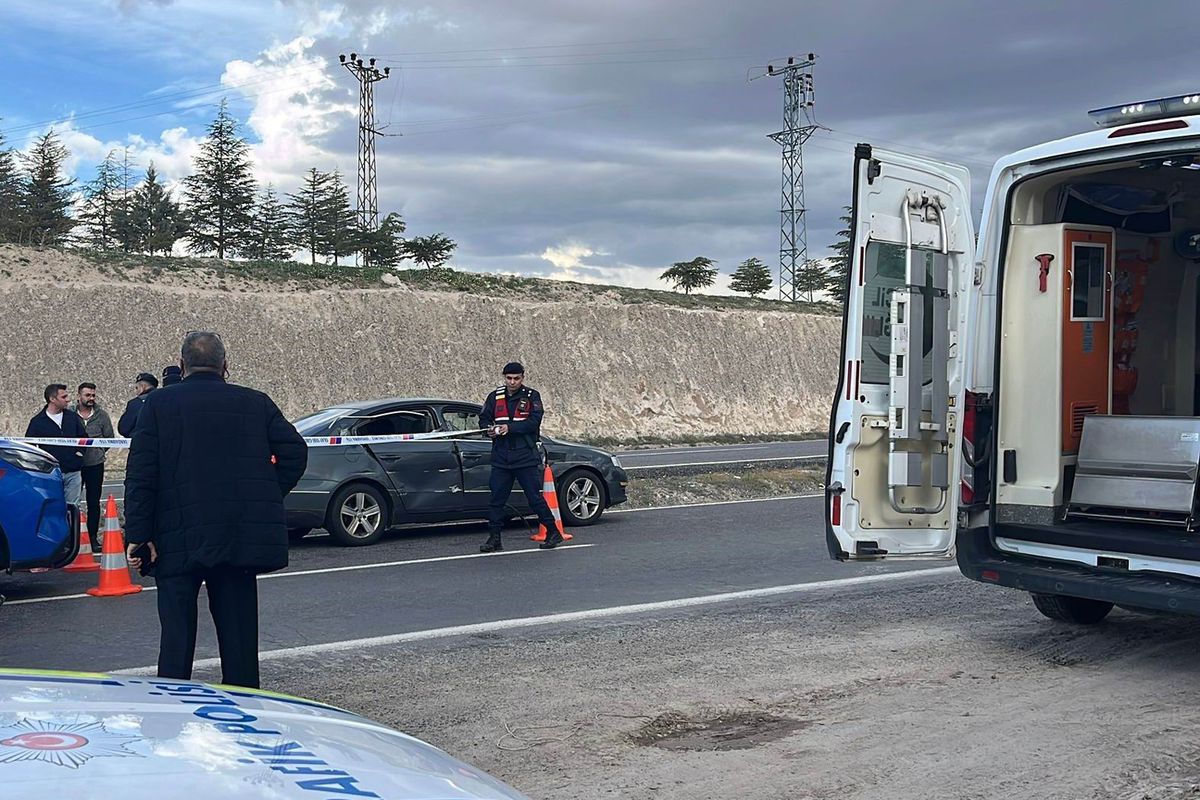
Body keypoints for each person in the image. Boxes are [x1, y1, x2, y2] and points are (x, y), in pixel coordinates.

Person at [124, 331, 308, 688]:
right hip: (237, 535)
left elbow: (141, 475)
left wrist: (139, 536)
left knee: (176, 640)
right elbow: (295, 453)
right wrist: (266, 492)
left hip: (175, 537)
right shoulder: (255, 402)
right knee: (239, 642)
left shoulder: (158, 405)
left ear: (182, 365)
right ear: (225, 365)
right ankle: (244, 708)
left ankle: (172, 709)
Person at [478, 361, 562, 553]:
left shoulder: (532, 396)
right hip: (501, 457)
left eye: (516, 378)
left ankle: (553, 531)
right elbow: (483, 418)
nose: (512, 382)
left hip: (525, 456)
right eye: (509, 378)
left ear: (522, 378)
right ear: (504, 377)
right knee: (496, 500)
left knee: (534, 498)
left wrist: (510, 428)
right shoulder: (494, 396)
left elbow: (533, 422)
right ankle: (494, 538)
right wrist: (489, 429)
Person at [25, 384, 87, 506]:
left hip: (73, 472)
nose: (68, 399)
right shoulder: (37, 422)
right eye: (64, 397)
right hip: (50, 474)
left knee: (73, 508)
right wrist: (41, 465)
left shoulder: (72, 417)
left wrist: (79, 453)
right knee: (52, 507)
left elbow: (84, 437)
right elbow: (29, 446)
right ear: (52, 399)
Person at [71, 382, 115, 545]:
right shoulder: (69, 414)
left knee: (93, 502)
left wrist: (99, 451)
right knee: (71, 502)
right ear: (79, 396)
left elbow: (109, 437)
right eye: (87, 395)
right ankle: (71, 538)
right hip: (74, 465)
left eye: (93, 395)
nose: (91, 398)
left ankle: (92, 538)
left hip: (95, 465)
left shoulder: (102, 415)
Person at [118, 372, 159, 436]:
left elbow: (124, 429)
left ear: (143, 386)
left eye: (137, 388)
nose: (136, 392)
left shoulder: (136, 403)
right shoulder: (165, 400)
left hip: (142, 440)